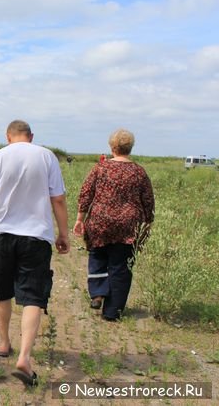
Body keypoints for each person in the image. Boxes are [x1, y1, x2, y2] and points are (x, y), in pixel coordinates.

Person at [0, 120, 70, 388]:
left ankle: (4, 342)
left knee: (2, 290)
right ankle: (25, 357)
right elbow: (58, 199)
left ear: (7, 137)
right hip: (37, 237)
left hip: (4, 235)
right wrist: (63, 234)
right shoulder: (46, 156)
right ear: (31, 136)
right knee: (33, 296)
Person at [73, 129, 154, 321]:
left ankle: (98, 292)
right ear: (130, 148)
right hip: (128, 225)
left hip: (100, 221)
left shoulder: (100, 168)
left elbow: (86, 193)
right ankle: (112, 312)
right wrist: (148, 222)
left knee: (98, 256)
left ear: (112, 147)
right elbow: (148, 199)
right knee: (121, 266)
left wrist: (79, 218)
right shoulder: (139, 172)